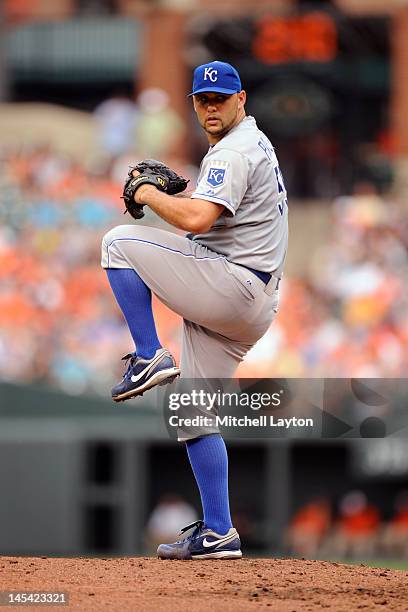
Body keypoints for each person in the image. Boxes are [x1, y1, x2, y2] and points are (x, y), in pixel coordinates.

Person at [101, 61, 288, 559]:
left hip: (234, 286)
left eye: (221, 98)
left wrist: (148, 193)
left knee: (118, 243)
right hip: (250, 301)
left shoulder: (235, 149)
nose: (211, 106)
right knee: (192, 410)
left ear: (241, 99)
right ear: (193, 103)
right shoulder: (252, 144)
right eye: (203, 99)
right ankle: (220, 532)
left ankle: (148, 354)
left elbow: (201, 220)